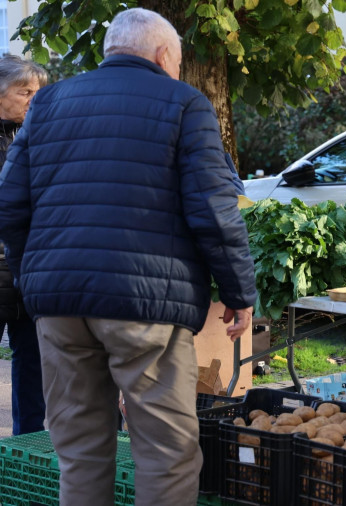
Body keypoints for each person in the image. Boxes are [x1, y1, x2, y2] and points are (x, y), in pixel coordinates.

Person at [0, 8, 257, 506]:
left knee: (78, 450)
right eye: (177, 61)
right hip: (146, 306)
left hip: (58, 304)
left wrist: (34, 273)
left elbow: (10, 202)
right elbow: (214, 211)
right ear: (164, 55)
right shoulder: (186, 103)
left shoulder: (48, 101)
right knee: (166, 452)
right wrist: (239, 292)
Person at [0, 55, 48, 435]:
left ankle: (25, 450)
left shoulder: (34, 135)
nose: (34, 99)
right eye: (24, 91)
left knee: (31, 363)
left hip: (27, 270)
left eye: (38, 91)